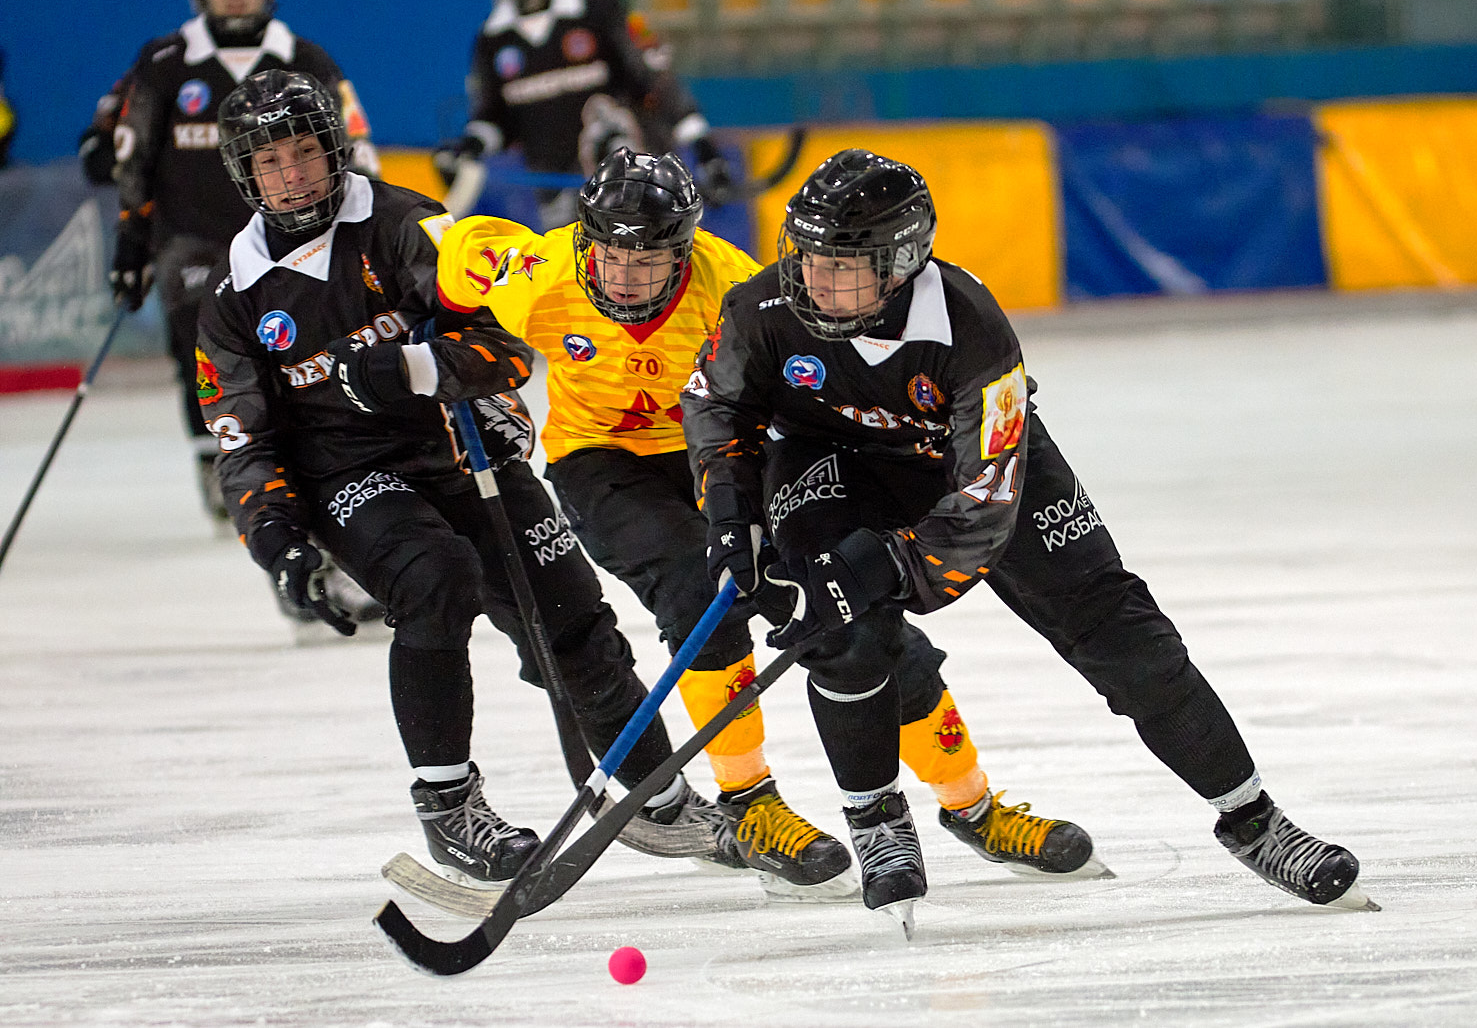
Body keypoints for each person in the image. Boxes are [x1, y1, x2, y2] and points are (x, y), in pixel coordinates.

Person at [680, 148, 1374, 929]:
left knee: (1119, 628)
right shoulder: (759, 309)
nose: (815, 281)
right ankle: (876, 819)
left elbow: (981, 504)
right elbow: (715, 411)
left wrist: (894, 563)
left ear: (901, 262)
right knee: (844, 631)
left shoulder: (972, 329)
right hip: (828, 460)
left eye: (843, 266)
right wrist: (731, 524)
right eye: (806, 257)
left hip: (972, 465)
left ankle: (1252, 818)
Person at [431, 147, 1107, 901]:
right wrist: (464, 365)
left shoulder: (732, 284)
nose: (623, 275)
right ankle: (750, 804)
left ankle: (971, 803)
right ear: (585, 239)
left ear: (684, 249)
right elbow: (445, 262)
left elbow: (769, 397)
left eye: (648, 258)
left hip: (730, 459)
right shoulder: (535, 272)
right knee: (696, 588)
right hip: (604, 462)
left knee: (852, 618)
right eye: (610, 252)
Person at [194, 69, 735, 888]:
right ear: (245, 174)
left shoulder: (409, 223)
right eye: (271, 163)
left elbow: (504, 346)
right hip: (345, 475)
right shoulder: (232, 297)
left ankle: (658, 800)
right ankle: (451, 808)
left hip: (458, 447)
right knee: (434, 578)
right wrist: (277, 540)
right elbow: (242, 434)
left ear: (334, 146)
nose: (294, 175)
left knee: (573, 622)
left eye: (306, 152)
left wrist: (429, 375)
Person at [100, 0, 379, 534]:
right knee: (196, 342)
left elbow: (354, 147)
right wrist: (131, 242)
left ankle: (319, 458)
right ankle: (218, 456)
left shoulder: (308, 60)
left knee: (307, 346)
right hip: (193, 241)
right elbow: (133, 158)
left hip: (291, 238)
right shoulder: (166, 62)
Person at [433, 0, 733, 229]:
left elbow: (656, 84)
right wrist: (470, 145)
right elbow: (494, 121)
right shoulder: (492, 39)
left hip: (638, 189)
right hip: (560, 202)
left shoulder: (600, 10)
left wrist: (703, 147)